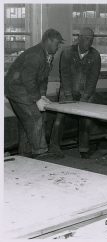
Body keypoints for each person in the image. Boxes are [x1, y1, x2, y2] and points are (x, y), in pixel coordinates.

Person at [5, 28, 64, 159]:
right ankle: (40, 152)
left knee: (27, 120)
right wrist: (37, 99)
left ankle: (25, 153)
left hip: (24, 87)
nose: (58, 46)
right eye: (57, 43)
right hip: (17, 88)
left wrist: (42, 95)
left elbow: (43, 79)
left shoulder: (48, 56)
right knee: (35, 117)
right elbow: (28, 79)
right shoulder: (36, 55)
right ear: (48, 41)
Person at [50, 27, 101, 159]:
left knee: (86, 119)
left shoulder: (95, 55)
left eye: (91, 39)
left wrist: (85, 96)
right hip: (67, 90)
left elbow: (93, 78)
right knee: (59, 119)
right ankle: (54, 147)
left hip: (86, 92)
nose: (88, 42)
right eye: (85, 38)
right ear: (79, 38)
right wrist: (68, 95)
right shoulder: (67, 52)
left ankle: (84, 148)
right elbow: (64, 74)